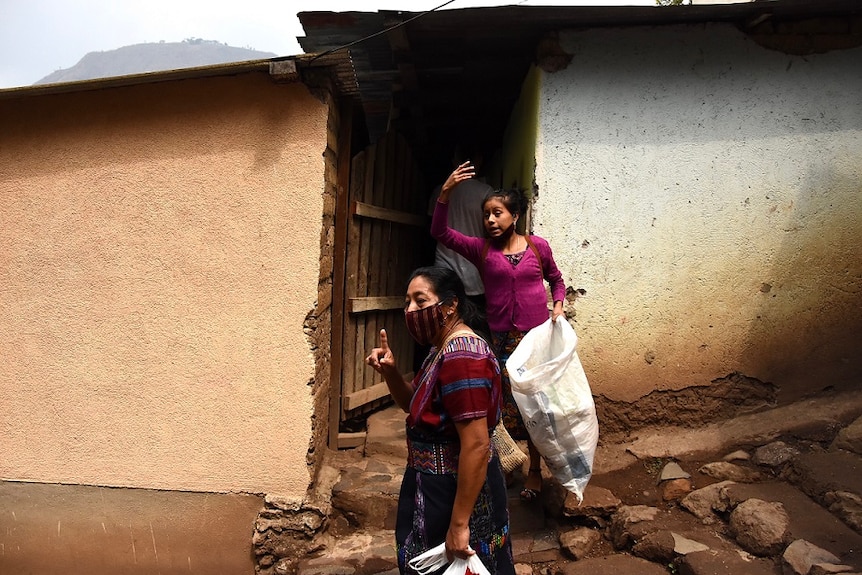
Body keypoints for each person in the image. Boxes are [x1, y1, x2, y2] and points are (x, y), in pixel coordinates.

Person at [430, 162, 567, 502]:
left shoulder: (538, 247)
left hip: (536, 341)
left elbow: (557, 279)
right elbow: (440, 233)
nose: (490, 220)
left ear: (515, 215)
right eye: (486, 215)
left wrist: (559, 305)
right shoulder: (481, 250)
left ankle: (536, 469)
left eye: (497, 213)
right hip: (502, 340)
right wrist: (446, 193)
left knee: (537, 407)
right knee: (504, 409)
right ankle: (504, 466)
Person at [366, 266, 514, 575]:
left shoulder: (463, 355)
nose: (410, 310)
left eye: (420, 301)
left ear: (450, 305)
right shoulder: (441, 349)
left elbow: (475, 443)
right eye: (407, 302)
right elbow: (414, 406)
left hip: (451, 492)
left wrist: (459, 524)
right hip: (431, 487)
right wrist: (391, 372)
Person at [427, 143, 494, 311]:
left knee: (447, 324)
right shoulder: (486, 193)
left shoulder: (439, 192)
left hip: (444, 269)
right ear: (479, 161)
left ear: (454, 161)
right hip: (475, 273)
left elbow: (432, 230)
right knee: (475, 326)